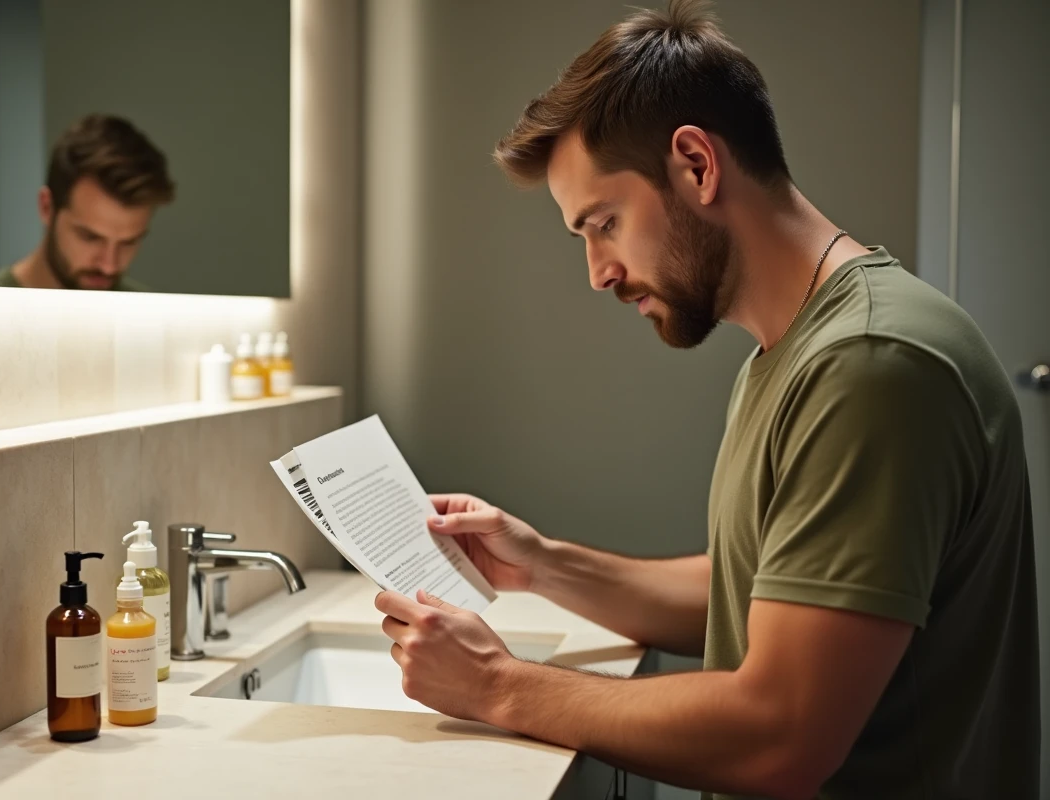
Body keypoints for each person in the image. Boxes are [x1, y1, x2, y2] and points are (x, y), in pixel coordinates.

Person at [374, 2, 1040, 799]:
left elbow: (780, 733)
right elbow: (762, 591)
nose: (599, 271)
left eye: (605, 224)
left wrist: (499, 685)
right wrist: (543, 565)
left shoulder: (869, 365)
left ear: (695, 164)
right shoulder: (796, 352)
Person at [0, 114, 175, 291]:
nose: (109, 266)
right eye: (89, 237)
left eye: (128, 243)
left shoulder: (147, 319)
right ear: (47, 207)